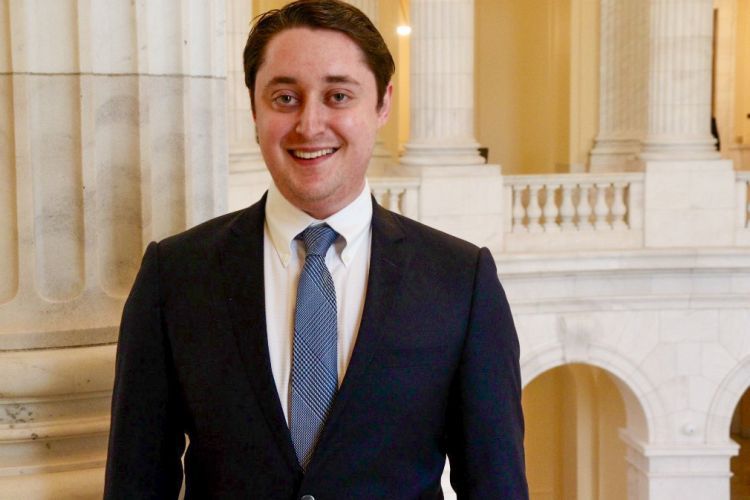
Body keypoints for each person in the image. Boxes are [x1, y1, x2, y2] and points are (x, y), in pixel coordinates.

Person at [104, 0, 528, 498]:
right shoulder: (174, 276)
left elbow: (496, 486)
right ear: (254, 107)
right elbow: (136, 481)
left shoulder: (460, 281)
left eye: (338, 95)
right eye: (285, 97)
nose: (309, 124)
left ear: (382, 103)